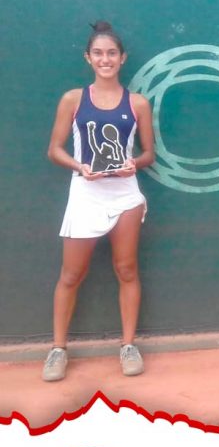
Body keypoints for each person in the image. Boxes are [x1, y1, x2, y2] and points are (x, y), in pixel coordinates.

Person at [43, 21, 154, 381]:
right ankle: (58, 349)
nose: (105, 59)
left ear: (123, 58)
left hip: (126, 195)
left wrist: (134, 164)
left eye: (111, 53)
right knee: (71, 274)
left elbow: (149, 154)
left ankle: (128, 345)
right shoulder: (73, 100)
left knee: (127, 270)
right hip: (85, 194)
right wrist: (79, 167)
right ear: (88, 58)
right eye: (98, 53)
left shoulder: (138, 103)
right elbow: (54, 150)